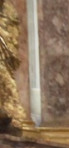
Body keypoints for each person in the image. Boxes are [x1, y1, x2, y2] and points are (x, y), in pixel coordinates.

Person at [0, 0, 26, 131]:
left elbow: (12, 34)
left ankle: (10, 110)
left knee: (5, 76)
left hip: (3, 51)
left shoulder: (9, 12)